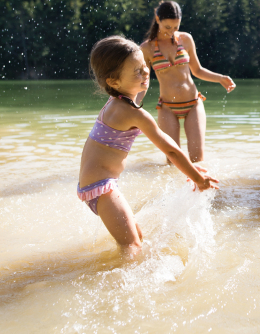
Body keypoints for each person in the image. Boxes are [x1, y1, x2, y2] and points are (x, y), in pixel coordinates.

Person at [78, 36, 219, 253]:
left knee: (137, 237)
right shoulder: (132, 113)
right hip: (101, 188)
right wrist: (198, 178)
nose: (146, 73)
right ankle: (123, 286)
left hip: (97, 184)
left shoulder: (116, 101)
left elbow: (138, 87)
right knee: (131, 245)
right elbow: (170, 149)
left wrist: (190, 171)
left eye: (145, 66)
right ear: (114, 82)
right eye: (137, 71)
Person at [140, 1, 236, 163]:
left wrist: (220, 78)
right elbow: (143, 81)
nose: (171, 32)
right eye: (167, 27)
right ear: (157, 19)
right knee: (173, 161)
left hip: (193, 103)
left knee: (197, 159)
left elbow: (197, 70)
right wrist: (134, 104)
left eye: (176, 27)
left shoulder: (186, 40)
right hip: (167, 107)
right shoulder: (147, 48)